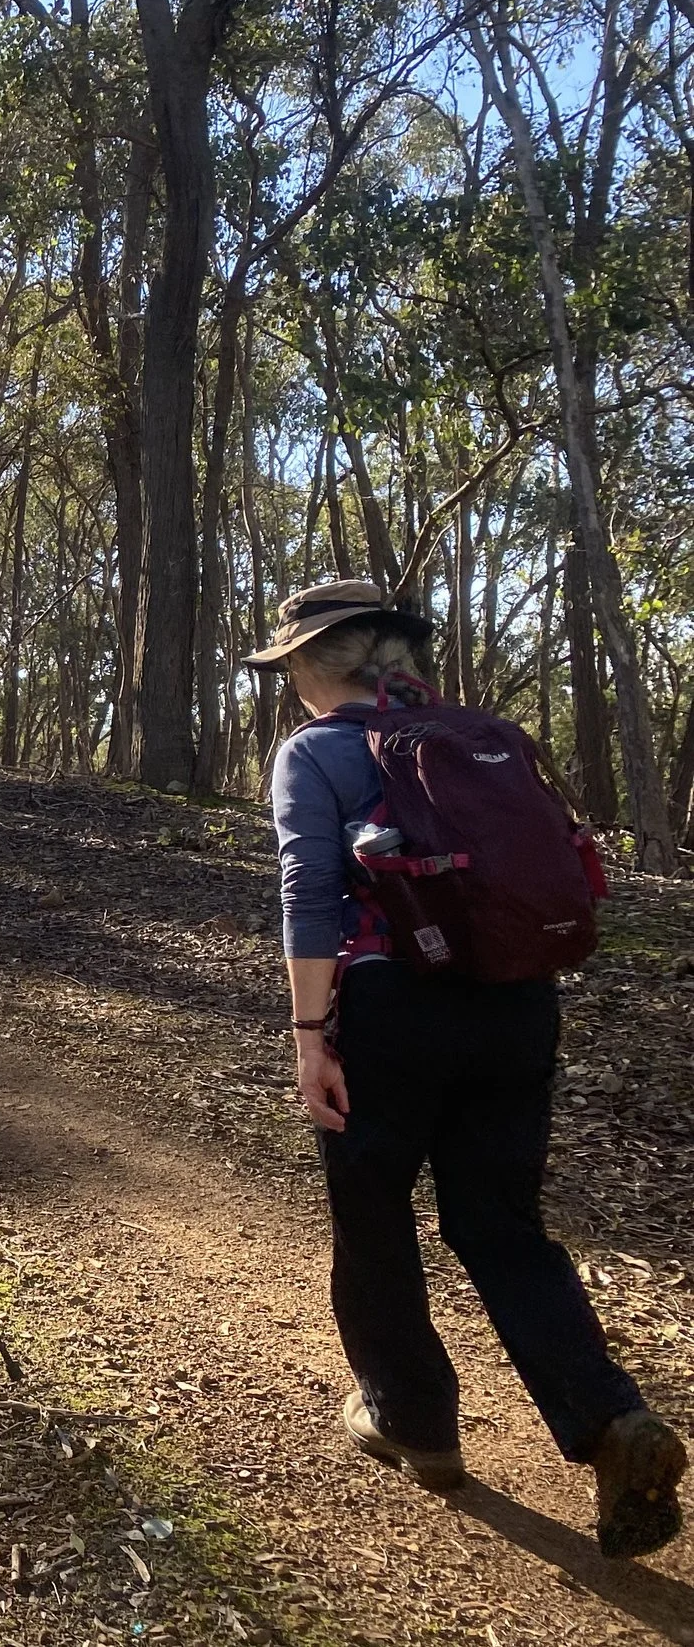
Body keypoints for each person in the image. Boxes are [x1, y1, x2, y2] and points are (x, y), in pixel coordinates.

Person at [249, 578, 683, 1557]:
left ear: (316, 666)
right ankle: (609, 1417)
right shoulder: (481, 740)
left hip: (388, 1011)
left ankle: (412, 1418)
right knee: (499, 1225)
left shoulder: (315, 750)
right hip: (517, 1003)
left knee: (371, 1208)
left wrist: (308, 1033)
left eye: (290, 671)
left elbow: (309, 890)